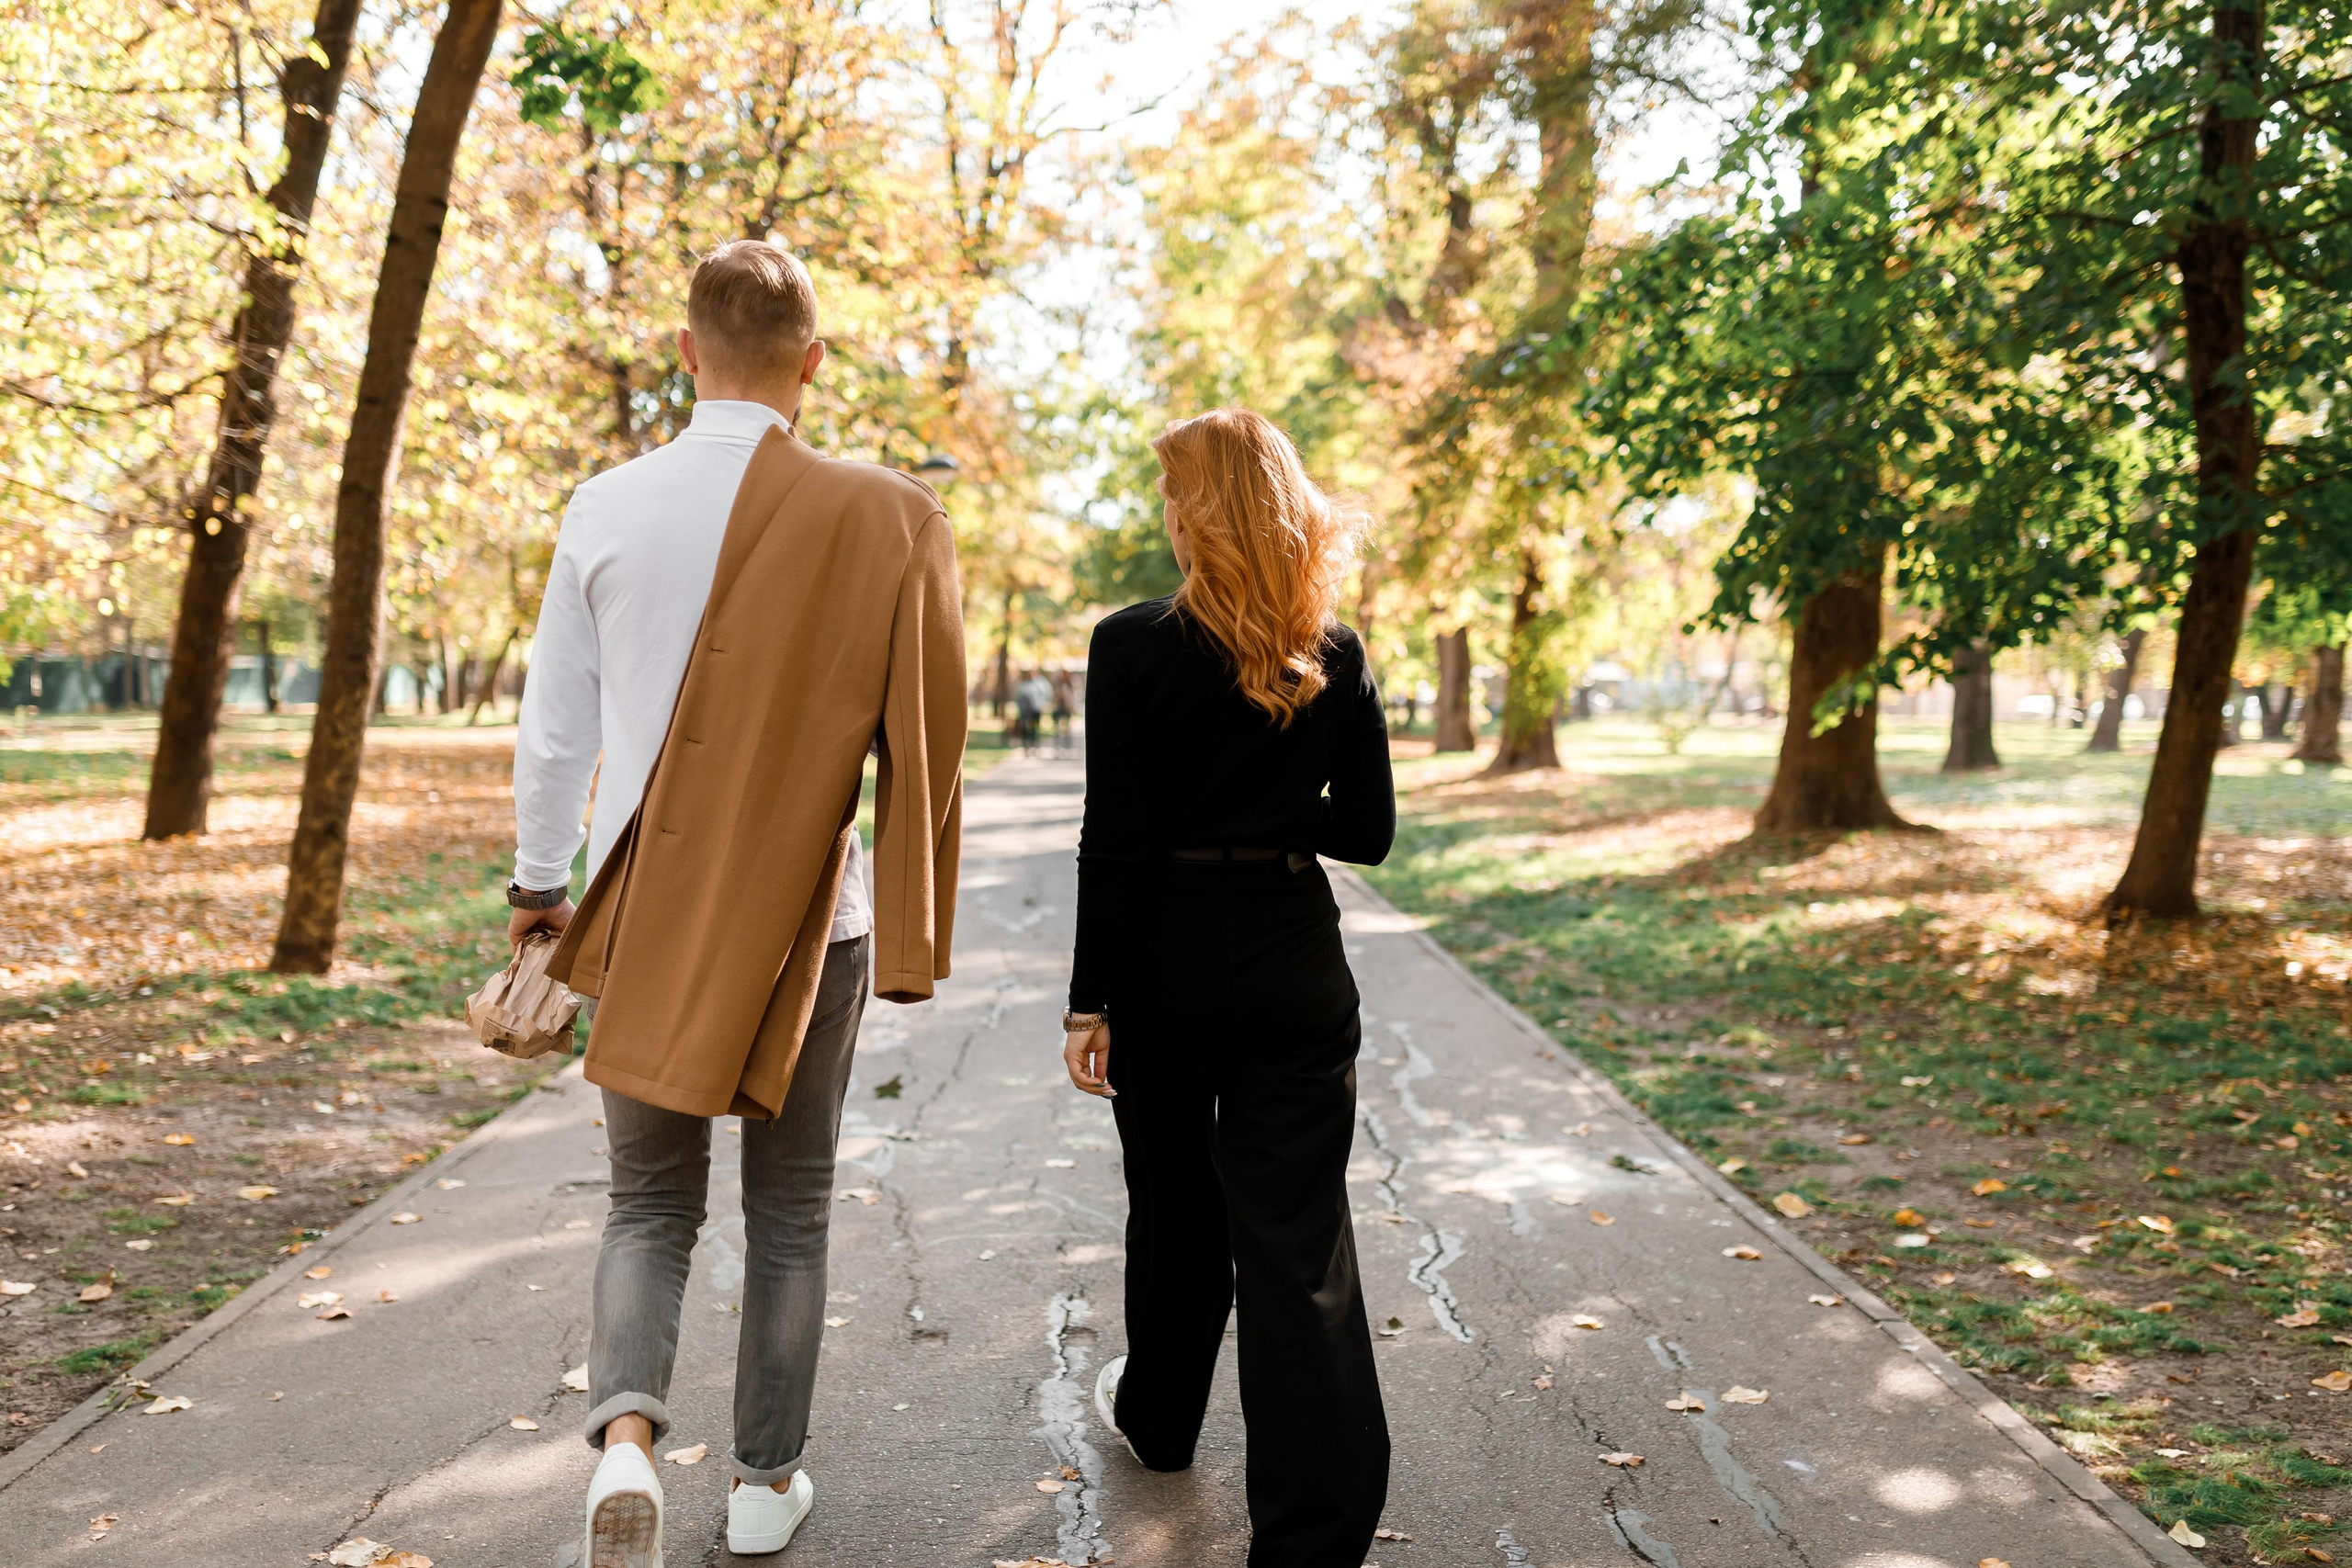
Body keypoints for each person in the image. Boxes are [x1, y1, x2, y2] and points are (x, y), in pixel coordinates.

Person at [505, 239, 967, 1567]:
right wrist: (917, 927)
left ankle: (626, 1444)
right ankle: (764, 1486)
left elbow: (554, 733)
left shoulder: (605, 505)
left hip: (642, 912)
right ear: (813, 361)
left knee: (649, 1204)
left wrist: (540, 890)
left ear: (684, 350)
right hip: (812, 924)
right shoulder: (890, 515)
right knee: (792, 1208)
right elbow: (926, 747)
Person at [1059, 407, 1394, 1567]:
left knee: (1173, 1202)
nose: (1164, 510)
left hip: (1164, 966)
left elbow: (1114, 835)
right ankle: (1312, 1539)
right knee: (1298, 1239)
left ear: (1198, 509)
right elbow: (1368, 832)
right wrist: (1275, 804)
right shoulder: (1334, 650)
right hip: (1292, 955)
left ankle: (1160, 1421)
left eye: (1171, 491)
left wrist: (1089, 1000)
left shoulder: (1129, 644)